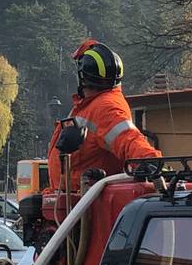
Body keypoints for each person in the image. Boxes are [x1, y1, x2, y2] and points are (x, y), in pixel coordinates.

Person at [48, 39, 162, 191]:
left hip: (86, 206)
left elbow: (128, 138)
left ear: (83, 77)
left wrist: (149, 160)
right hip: (72, 201)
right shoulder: (89, 106)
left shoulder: (105, 107)